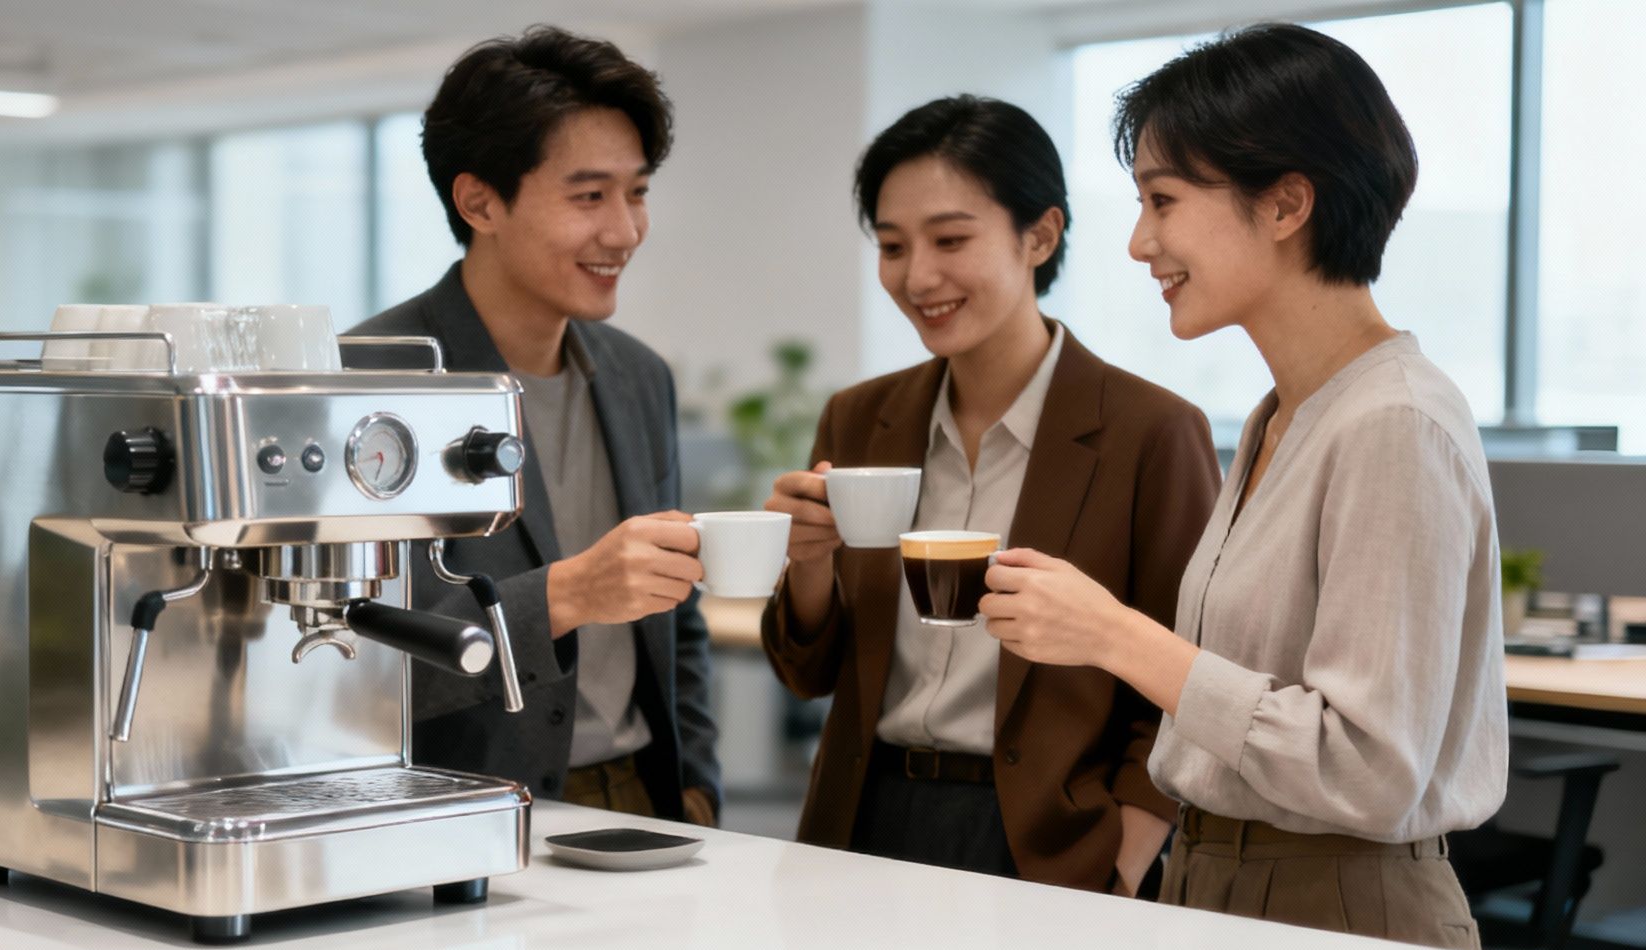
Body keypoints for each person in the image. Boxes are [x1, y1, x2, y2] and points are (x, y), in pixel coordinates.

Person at [979, 24, 1505, 950]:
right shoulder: (1281, 417)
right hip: (1218, 883)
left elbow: (1369, 768)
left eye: (1164, 200)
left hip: (1340, 909)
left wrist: (1114, 635)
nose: (1140, 242)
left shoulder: (1394, 423)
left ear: (1287, 203)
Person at [759, 95, 1219, 893]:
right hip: (862, 819)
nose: (917, 276)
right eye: (893, 246)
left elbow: (1185, 680)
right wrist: (806, 563)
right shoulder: (860, 418)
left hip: (1051, 843)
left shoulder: (1150, 432)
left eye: (950, 239)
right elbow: (810, 674)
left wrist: (1122, 862)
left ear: (1039, 235)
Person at [347, 26, 719, 825]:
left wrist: (695, 786)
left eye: (637, 192)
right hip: (459, 814)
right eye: (589, 197)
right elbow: (351, 661)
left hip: (643, 798)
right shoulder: (366, 382)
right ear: (480, 202)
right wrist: (563, 596)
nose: (624, 231)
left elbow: (677, 616)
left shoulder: (638, 377)